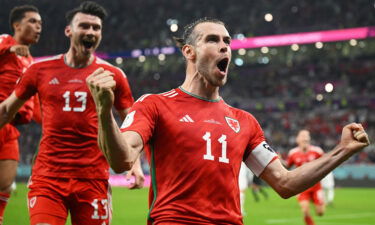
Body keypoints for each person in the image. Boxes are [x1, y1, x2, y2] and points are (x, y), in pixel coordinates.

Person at [86, 18, 370, 225]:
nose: (225, 47)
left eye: (227, 42)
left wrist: (343, 150)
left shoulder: (244, 122)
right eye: (213, 40)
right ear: (189, 52)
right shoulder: (155, 104)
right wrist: (104, 110)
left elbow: (285, 183)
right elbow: (122, 160)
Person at [0, 2, 144, 225]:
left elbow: (133, 123)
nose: (90, 32)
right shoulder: (39, 70)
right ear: (69, 30)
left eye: (96, 28)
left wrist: (134, 164)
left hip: (93, 179)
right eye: (84, 26)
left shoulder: (112, 75)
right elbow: (7, 109)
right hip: (48, 178)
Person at [0, 5, 41, 225]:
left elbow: (34, 107)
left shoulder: (31, 63)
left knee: (5, 185)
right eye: (33, 22)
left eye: (40, 23)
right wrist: (9, 50)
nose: (38, 27)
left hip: (10, 127)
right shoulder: (5, 41)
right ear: (17, 25)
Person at [286, 130, 325, 225]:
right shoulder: (293, 153)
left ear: (309, 138)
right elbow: (287, 166)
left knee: (320, 213)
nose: (304, 137)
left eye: (306, 135)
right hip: (301, 186)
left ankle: (315, 200)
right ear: (297, 139)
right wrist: (279, 160)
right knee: (305, 211)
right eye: (302, 136)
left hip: (316, 186)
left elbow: (326, 163)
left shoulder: (317, 151)